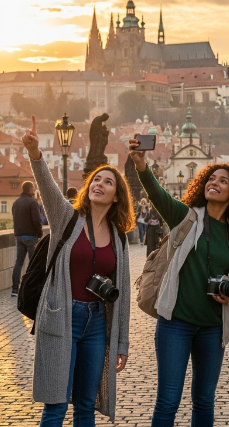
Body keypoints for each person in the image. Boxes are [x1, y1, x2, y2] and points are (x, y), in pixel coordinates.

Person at [129, 136, 229, 427]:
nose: (214, 182)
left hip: (213, 328)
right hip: (176, 323)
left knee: (204, 401)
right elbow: (156, 193)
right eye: (211, 178)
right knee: (168, 400)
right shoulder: (185, 217)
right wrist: (141, 164)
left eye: (223, 181)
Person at [22, 127, 133, 426]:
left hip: (97, 322)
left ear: (116, 196)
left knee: (86, 405)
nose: (99, 184)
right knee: (56, 404)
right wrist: (35, 154)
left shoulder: (118, 237)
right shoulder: (67, 219)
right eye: (96, 179)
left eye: (108, 182)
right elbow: (47, 187)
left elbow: (123, 295)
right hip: (63, 316)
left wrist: (121, 343)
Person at [11, 181, 43, 296]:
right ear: (30, 190)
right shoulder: (32, 202)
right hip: (31, 237)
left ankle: (15, 289)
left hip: (19, 236)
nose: (34, 191)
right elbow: (37, 220)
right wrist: (40, 234)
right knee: (33, 263)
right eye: (33, 189)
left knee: (18, 263)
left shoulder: (16, 202)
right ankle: (30, 289)